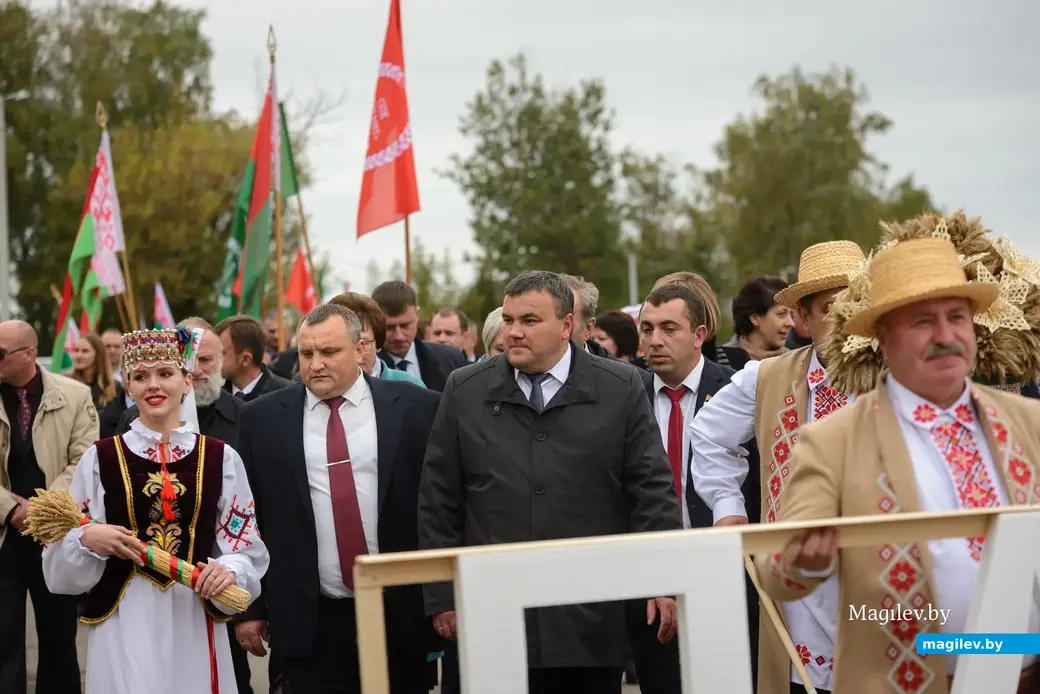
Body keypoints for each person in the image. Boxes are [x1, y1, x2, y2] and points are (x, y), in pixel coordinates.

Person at [755, 237, 1039, 693]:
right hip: (907, 679)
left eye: (957, 317)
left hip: (1022, 670)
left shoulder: (1030, 422)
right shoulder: (833, 440)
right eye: (923, 321)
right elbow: (776, 570)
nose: (946, 336)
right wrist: (802, 562)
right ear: (883, 336)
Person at [418, 270, 682, 694]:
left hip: (589, 617)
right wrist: (441, 596)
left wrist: (663, 579)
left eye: (529, 321)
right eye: (508, 320)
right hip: (493, 613)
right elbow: (438, 499)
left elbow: (651, 491)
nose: (513, 333)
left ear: (566, 326)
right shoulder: (464, 390)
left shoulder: (620, 387)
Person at [41, 327, 270, 694]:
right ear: (127, 386)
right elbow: (59, 565)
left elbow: (245, 548)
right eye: (140, 376)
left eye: (165, 373)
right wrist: (86, 539)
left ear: (187, 381)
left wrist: (228, 571)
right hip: (123, 619)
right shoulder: (99, 459)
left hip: (194, 617)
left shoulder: (220, 458)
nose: (154, 385)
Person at [234, 303, 441, 694]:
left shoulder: (418, 408)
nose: (315, 364)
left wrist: (443, 596)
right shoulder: (262, 419)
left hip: (399, 612)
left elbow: (439, 506)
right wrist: (250, 608)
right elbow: (248, 516)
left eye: (329, 352)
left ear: (360, 350)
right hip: (311, 618)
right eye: (307, 353)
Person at [690, 240, 865, 694]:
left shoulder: (901, 376)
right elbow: (707, 434)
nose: (848, 319)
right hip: (798, 585)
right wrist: (729, 507)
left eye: (858, 303)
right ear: (803, 321)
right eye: (832, 307)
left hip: (884, 579)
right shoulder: (765, 377)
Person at [627, 281, 760, 694]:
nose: (654, 340)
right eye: (647, 329)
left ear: (700, 334)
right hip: (649, 586)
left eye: (669, 328)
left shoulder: (738, 390)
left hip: (728, 578)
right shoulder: (624, 395)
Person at [0, 320, 96, 694]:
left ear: (28, 354)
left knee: (59, 641)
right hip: (4, 535)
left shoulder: (75, 395)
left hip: (55, 536)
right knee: (3, 639)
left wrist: (40, 510)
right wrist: (10, 508)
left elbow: (84, 459)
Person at [371, 281, 468, 391]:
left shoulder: (451, 359)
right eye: (390, 327)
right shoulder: (365, 367)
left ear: (417, 314)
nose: (399, 336)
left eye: (405, 326)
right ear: (375, 321)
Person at [327, 293, 426, 387]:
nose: (356, 354)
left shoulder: (411, 387)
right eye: (342, 345)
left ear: (378, 343)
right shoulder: (316, 391)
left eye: (364, 343)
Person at [716, 275, 794, 370]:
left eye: (792, 315)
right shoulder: (719, 361)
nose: (791, 323)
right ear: (755, 318)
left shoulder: (795, 363)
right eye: (781, 314)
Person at [215, 315, 291, 402]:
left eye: (221, 353)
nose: (214, 359)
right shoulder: (213, 395)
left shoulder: (287, 396)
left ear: (246, 359)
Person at [68, 332, 122, 410]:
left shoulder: (114, 387)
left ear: (98, 354)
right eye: (76, 350)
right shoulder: (65, 383)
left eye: (85, 351)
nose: (79, 355)